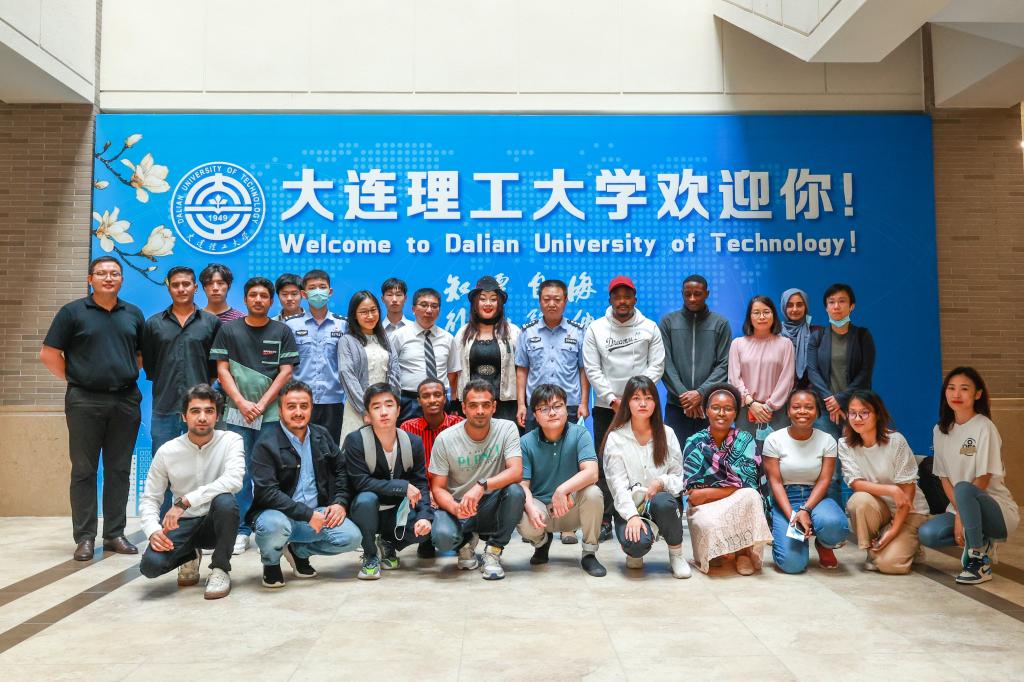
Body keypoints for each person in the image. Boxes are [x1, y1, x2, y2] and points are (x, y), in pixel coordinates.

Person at [40, 256, 145, 561]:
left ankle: (114, 534)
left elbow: (139, 355)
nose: (108, 278)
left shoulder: (133, 314)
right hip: (84, 400)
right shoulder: (72, 312)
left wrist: (120, 373)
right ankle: (85, 537)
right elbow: (49, 354)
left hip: (125, 400)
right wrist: (78, 378)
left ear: (122, 279)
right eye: (101, 273)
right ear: (90, 279)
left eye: (114, 273)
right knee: (84, 470)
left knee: (119, 470)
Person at [210, 277, 299, 554]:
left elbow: (286, 372)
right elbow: (222, 370)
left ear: (271, 301)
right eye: (253, 295)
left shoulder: (282, 331)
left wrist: (260, 404)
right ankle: (240, 530)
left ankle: (270, 527)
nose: (258, 299)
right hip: (237, 415)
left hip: (270, 415)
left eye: (264, 296)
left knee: (270, 472)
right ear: (245, 299)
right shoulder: (229, 330)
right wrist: (241, 402)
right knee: (240, 471)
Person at [249, 380, 362, 588]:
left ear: (311, 408)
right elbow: (267, 493)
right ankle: (271, 563)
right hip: (279, 515)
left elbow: (341, 470)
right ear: (280, 410)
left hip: (316, 514)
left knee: (351, 537)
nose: (298, 412)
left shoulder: (321, 435)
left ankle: (299, 551)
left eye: (304, 406)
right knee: (274, 527)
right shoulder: (266, 442)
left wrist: (339, 502)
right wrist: (308, 515)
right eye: (291, 406)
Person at [138, 385, 244, 599]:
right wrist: (153, 531)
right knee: (150, 566)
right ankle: (190, 554)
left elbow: (234, 480)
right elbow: (151, 498)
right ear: (184, 417)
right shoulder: (167, 451)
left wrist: (185, 501)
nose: (202, 417)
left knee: (226, 501)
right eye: (195, 411)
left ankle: (220, 569)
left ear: (217, 416)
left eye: (209, 411)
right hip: (183, 524)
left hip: (216, 522)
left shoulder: (231, 440)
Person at [918, 367, 1018, 584]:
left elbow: (983, 478)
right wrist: (959, 512)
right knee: (928, 534)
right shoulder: (940, 430)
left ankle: (978, 561)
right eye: (951, 388)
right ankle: (981, 538)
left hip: (996, 509)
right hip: (960, 506)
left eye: (964, 389)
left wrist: (960, 515)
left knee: (964, 487)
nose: (956, 394)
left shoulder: (984, 427)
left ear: (977, 394)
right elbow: (944, 477)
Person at [584, 275, 665, 539]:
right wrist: (613, 399)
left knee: (646, 457)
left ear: (634, 299)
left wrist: (635, 397)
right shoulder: (596, 328)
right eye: (617, 296)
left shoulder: (649, 328)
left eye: (627, 296)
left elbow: (657, 366)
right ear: (610, 299)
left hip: (642, 406)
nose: (622, 301)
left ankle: (648, 512)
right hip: (606, 407)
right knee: (606, 461)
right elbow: (592, 369)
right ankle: (606, 518)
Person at [429, 379, 526, 580]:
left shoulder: (507, 428)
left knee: (516, 491)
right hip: (459, 506)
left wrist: (482, 485)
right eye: (473, 405)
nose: (480, 411)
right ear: (463, 408)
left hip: (491, 503)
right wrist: (455, 508)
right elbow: (437, 488)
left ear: (494, 407)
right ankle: (465, 543)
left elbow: (516, 472)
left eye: (485, 405)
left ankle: (493, 551)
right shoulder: (445, 439)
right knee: (442, 538)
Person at [602, 377, 690, 578]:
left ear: (656, 403)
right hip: (630, 506)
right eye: (636, 398)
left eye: (648, 398)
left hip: (662, 503)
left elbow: (679, 477)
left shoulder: (667, 434)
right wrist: (632, 516)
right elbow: (617, 486)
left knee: (664, 502)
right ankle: (635, 552)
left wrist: (661, 482)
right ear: (627, 403)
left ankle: (676, 555)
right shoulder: (616, 437)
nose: (643, 403)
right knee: (636, 544)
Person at [517, 384, 606, 577]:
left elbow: (592, 473)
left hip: (571, 507)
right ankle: (541, 543)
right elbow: (523, 485)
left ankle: (589, 553)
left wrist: (562, 490)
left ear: (566, 408)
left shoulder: (580, 433)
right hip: (542, 511)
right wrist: (531, 508)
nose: (552, 413)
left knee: (593, 493)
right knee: (520, 508)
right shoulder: (525, 442)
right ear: (535, 415)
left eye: (557, 406)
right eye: (544, 408)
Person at [683, 383, 772, 575]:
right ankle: (717, 550)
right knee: (738, 499)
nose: (721, 413)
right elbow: (694, 496)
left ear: (735, 413)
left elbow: (750, 487)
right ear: (706, 411)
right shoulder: (695, 442)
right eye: (716, 408)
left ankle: (742, 553)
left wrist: (709, 492)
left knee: (751, 496)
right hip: (705, 508)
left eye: (728, 409)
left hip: (732, 503)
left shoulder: (745, 440)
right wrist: (734, 489)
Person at [345, 384, 433, 580]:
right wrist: (401, 486)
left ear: (398, 410)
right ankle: (370, 555)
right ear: (367, 415)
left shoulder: (413, 442)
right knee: (366, 499)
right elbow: (361, 482)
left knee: (425, 530)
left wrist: (424, 516)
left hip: (395, 513)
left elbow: (421, 484)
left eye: (389, 405)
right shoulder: (355, 441)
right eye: (376, 407)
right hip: (365, 511)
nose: (384, 412)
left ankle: (388, 543)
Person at [839, 390, 930, 575]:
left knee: (890, 566)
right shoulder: (845, 444)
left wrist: (893, 531)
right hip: (881, 510)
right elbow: (856, 484)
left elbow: (907, 495)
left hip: (910, 512)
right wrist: (892, 490)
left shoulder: (896, 441)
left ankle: (911, 546)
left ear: (878, 414)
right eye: (852, 413)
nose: (857, 418)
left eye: (864, 413)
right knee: (858, 500)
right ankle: (872, 550)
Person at [763, 388, 849, 573]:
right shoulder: (774, 440)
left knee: (835, 526)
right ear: (788, 411)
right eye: (796, 407)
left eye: (809, 407)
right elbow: (775, 483)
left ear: (817, 412)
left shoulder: (827, 440)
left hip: (816, 499)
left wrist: (806, 509)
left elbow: (825, 480)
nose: (802, 411)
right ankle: (788, 538)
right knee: (792, 565)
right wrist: (793, 516)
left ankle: (824, 545)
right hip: (785, 500)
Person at [141, 265, 221, 461]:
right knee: (163, 465)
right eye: (175, 285)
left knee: (202, 464)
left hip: (200, 409)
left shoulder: (211, 323)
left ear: (195, 287)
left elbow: (215, 368)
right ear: (169, 288)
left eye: (186, 284)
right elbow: (151, 366)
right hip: (164, 407)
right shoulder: (153, 324)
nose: (181, 289)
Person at [659, 274, 731, 447]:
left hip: (709, 406)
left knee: (710, 457)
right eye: (687, 294)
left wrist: (700, 394)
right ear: (682, 294)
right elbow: (665, 363)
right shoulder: (668, 322)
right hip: (676, 405)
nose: (692, 298)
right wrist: (685, 397)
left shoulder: (720, 324)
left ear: (707, 294)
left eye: (697, 294)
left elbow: (724, 364)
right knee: (674, 455)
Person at [515, 279, 590, 433]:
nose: (552, 304)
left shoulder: (578, 332)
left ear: (565, 301)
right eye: (546, 299)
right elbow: (522, 370)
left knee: (570, 447)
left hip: (569, 406)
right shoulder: (527, 332)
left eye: (557, 299)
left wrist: (583, 403)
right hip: (536, 405)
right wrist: (521, 405)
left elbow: (583, 370)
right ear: (539, 301)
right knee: (534, 446)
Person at [400, 377, 464, 558]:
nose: (432, 400)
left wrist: (440, 493)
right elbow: (406, 471)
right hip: (420, 494)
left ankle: (461, 537)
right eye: (426, 396)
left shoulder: (459, 424)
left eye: (437, 395)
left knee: (445, 538)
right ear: (418, 400)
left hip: (451, 491)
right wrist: (428, 494)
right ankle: (425, 538)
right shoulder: (407, 428)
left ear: (445, 397)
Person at [284, 269, 347, 443]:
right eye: (312, 288)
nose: (318, 291)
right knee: (298, 447)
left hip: (333, 401)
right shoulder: (290, 325)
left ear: (330, 292)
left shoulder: (343, 325)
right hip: (300, 401)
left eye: (322, 287)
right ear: (304, 294)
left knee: (331, 449)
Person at [450, 276, 522, 424]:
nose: (488, 303)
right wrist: (454, 402)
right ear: (475, 304)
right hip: (473, 405)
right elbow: (454, 372)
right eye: (483, 299)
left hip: (506, 406)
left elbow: (521, 371)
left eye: (493, 299)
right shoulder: (462, 334)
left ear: (499, 303)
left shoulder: (513, 333)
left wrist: (522, 404)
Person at [807, 283, 875, 439]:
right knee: (829, 452)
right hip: (826, 410)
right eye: (831, 302)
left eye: (842, 301)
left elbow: (865, 374)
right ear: (826, 308)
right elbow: (813, 372)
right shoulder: (817, 337)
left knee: (856, 451)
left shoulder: (862, 336)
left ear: (852, 306)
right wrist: (832, 403)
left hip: (857, 408)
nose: (836, 306)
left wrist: (839, 399)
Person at [728, 295, 795, 448]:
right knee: (746, 456)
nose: (762, 317)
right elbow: (734, 379)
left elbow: (787, 379)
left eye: (766, 312)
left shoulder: (785, 344)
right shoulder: (737, 344)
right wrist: (751, 403)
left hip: (776, 412)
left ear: (773, 315)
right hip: (746, 411)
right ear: (749, 317)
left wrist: (769, 407)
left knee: (777, 455)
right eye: (756, 313)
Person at [338, 290, 400, 444]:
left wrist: (390, 405)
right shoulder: (347, 341)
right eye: (364, 312)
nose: (370, 316)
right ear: (354, 315)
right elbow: (347, 376)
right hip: (358, 409)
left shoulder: (384, 338)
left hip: (384, 411)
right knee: (358, 450)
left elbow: (395, 372)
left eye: (373, 310)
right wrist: (366, 410)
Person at [391, 288, 455, 424]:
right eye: (424, 305)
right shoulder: (398, 336)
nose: (429, 310)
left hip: (440, 401)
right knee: (409, 436)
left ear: (439, 310)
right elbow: (390, 371)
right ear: (413, 309)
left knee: (442, 436)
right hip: (409, 401)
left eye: (434, 306)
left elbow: (452, 374)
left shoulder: (448, 339)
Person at [779, 288, 818, 388]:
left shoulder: (817, 333)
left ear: (806, 307)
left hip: (811, 393)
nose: (795, 309)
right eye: (790, 305)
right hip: (779, 392)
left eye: (799, 305)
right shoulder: (775, 334)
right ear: (783, 307)